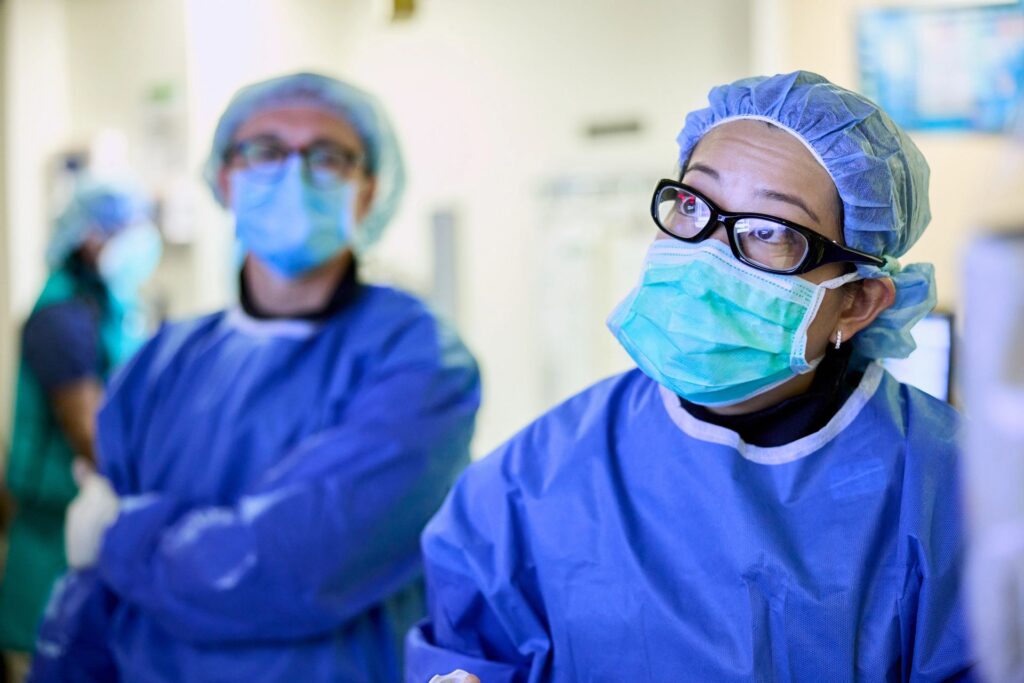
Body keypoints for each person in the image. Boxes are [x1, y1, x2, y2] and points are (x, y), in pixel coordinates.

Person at [405, 71, 972, 681]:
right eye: (693, 205)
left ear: (856, 302)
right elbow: (467, 653)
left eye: (769, 231)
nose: (708, 252)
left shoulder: (957, 492)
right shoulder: (535, 478)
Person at [29, 72, 481, 682]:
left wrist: (123, 535)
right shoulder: (161, 363)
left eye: (327, 156)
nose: (292, 174)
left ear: (368, 192)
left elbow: (296, 562)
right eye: (265, 151)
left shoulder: (421, 359)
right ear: (224, 178)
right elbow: (99, 601)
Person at [0, 177, 161, 678]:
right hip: (51, 543)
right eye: (130, 229)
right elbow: (92, 434)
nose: (142, 242)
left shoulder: (108, 307)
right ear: (92, 237)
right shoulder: (62, 318)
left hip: (90, 533)